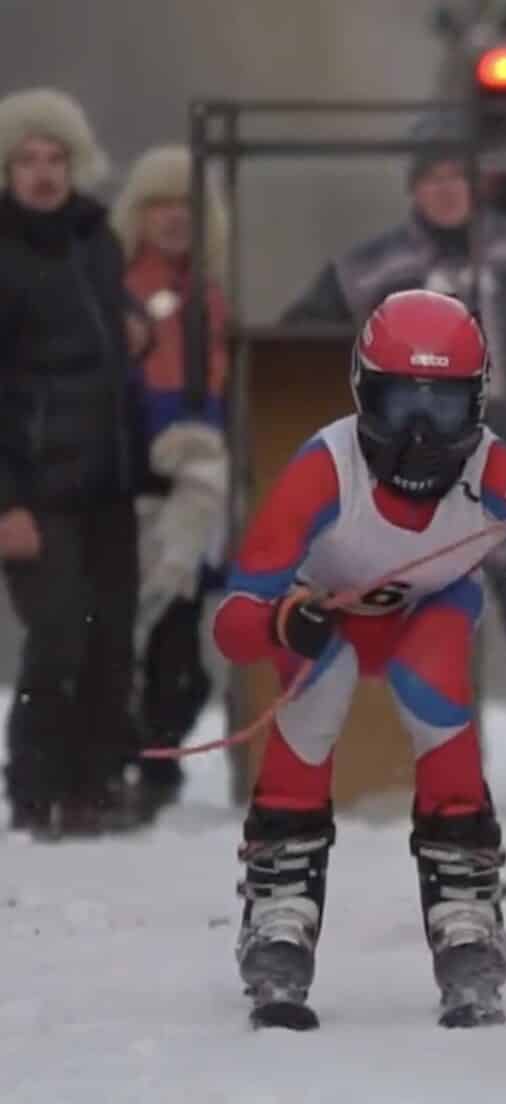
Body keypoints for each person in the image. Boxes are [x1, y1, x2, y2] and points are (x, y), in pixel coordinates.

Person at [212, 290, 506, 1029]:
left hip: (431, 613)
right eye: (403, 406)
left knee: (433, 693)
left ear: (480, 404)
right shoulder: (325, 470)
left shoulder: (499, 470)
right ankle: (279, 913)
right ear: (365, 396)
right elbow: (235, 621)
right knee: (314, 698)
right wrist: (282, 622)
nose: (423, 435)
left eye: (445, 407)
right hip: (328, 616)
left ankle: (467, 917)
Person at [280, 118, 506, 811]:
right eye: (431, 179)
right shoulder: (376, 266)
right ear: (414, 188)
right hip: (422, 481)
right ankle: (439, 786)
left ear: (477, 184)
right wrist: (373, 396)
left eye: (456, 177)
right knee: (433, 633)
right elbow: (300, 329)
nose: (446, 191)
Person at [0, 88, 148, 841]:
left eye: (55, 157)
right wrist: (6, 503)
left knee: (111, 639)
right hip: (35, 486)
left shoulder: (97, 239)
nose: (43, 173)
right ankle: (33, 789)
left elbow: (105, 346)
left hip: (108, 480)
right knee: (57, 634)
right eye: (27, 158)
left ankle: (93, 787)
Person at [112, 143, 232, 818]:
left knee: (181, 645)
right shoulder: (117, 290)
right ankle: (132, 760)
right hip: (139, 480)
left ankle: (156, 763)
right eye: (159, 204)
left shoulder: (211, 295)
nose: (172, 218)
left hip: (204, 478)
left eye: (184, 205)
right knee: (135, 622)